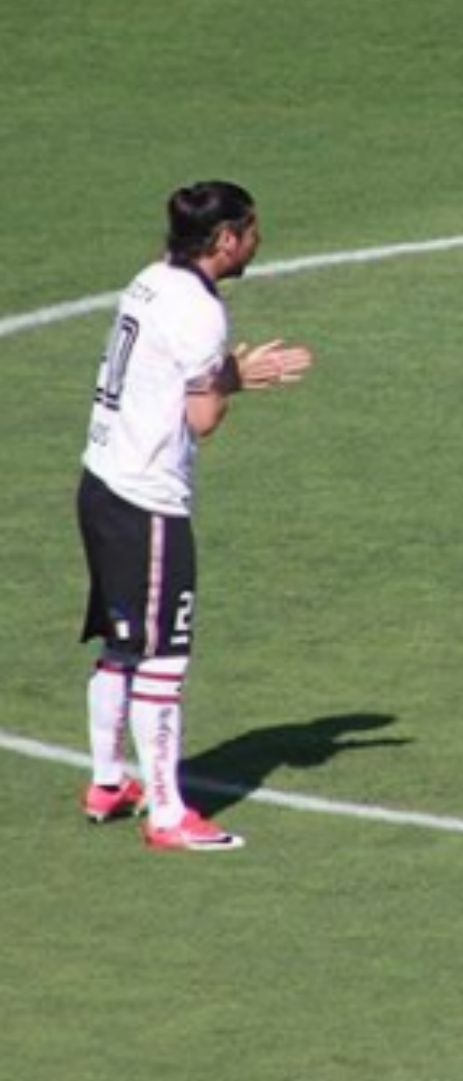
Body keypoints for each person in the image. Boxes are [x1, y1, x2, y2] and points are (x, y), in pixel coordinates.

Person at [77, 180, 315, 851]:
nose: (258, 240)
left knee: (122, 642)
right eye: (251, 229)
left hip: (100, 482)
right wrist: (236, 378)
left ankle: (106, 782)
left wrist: (221, 375)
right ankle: (166, 813)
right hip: (148, 499)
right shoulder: (202, 315)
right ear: (224, 240)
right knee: (163, 657)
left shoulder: (150, 279)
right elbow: (202, 419)